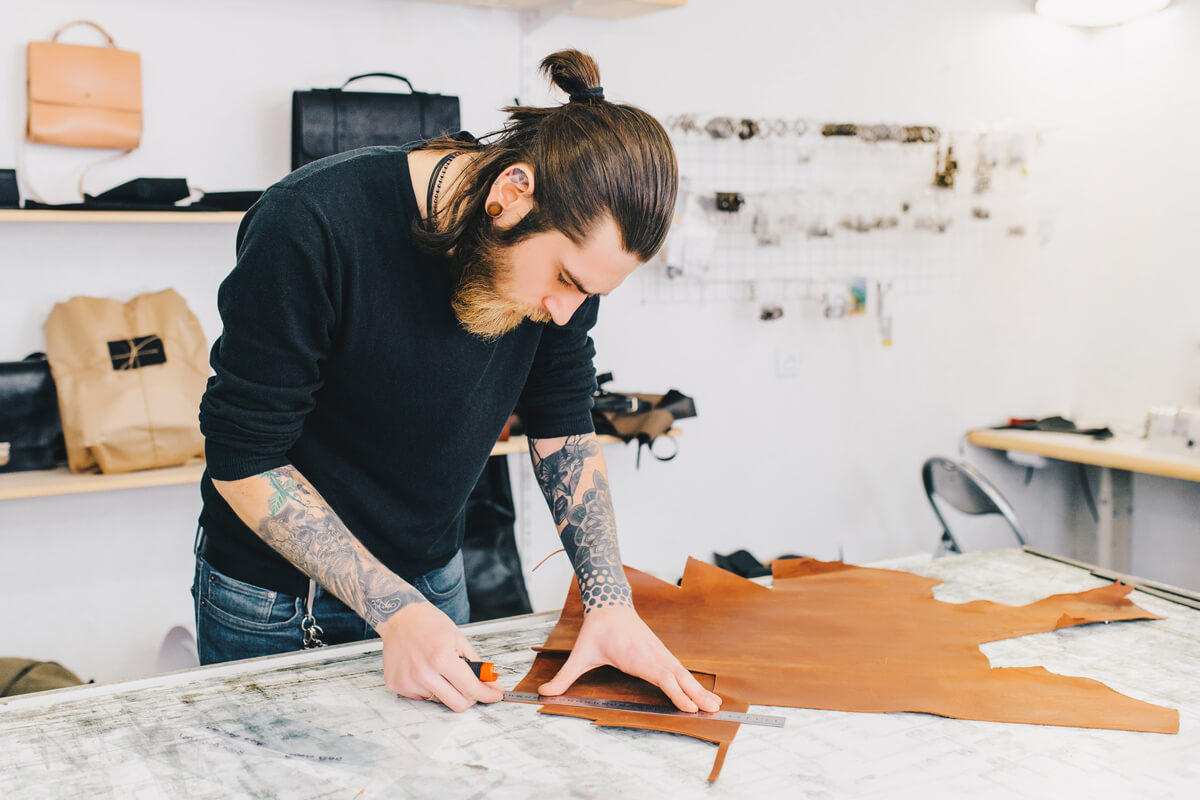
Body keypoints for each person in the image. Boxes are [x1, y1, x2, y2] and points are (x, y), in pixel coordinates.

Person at [192, 50, 720, 716]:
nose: (567, 311)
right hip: (273, 604)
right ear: (512, 194)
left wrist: (608, 602)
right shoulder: (311, 223)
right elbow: (245, 458)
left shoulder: (563, 273)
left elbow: (563, 420)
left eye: (586, 294)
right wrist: (392, 609)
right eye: (564, 281)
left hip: (435, 584)